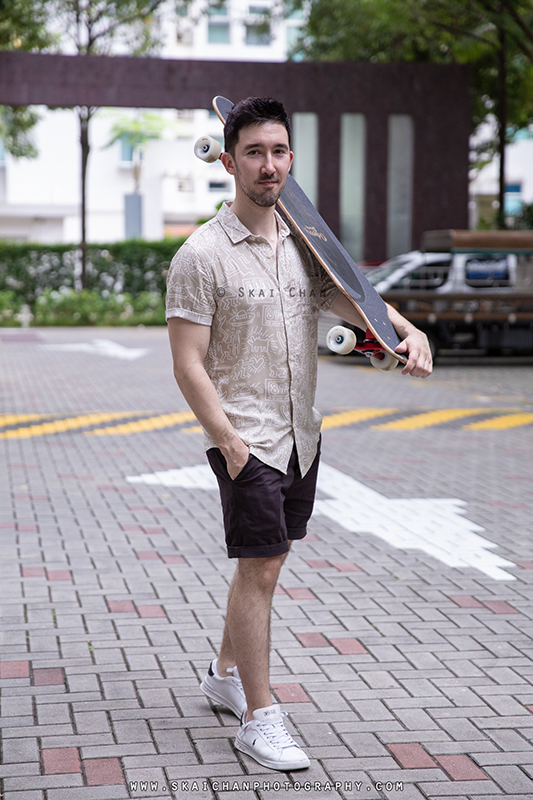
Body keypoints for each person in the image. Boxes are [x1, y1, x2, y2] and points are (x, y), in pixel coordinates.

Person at [166, 96, 432, 772]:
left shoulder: (300, 246)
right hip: (245, 439)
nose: (269, 165)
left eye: (279, 151)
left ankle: (224, 673)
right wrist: (230, 444)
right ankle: (259, 718)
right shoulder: (201, 255)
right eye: (253, 152)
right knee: (259, 566)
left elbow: (351, 298)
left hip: (300, 436)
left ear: (292, 159)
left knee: (266, 563)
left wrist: (407, 330)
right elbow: (187, 363)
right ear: (229, 162)